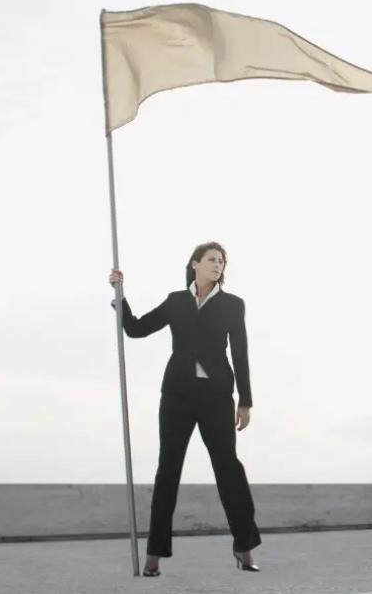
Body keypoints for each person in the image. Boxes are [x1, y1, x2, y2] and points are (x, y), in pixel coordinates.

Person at [108, 241, 261, 577]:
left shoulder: (233, 305)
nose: (218, 264)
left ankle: (244, 547)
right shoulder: (176, 301)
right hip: (177, 396)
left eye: (222, 261)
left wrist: (246, 400)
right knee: (168, 471)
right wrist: (120, 295)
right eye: (211, 259)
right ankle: (154, 554)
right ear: (195, 264)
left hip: (217, 397)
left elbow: (241, 353)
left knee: (229, 469)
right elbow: (136, 329)